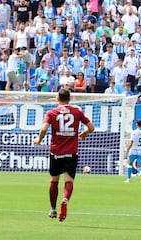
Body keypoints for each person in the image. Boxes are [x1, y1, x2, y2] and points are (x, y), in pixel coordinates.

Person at [33, 88, 95, 222]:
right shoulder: (77, 111)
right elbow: (91, 127)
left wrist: (39, 139)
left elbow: (43, 128)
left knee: (54, 180)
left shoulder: (51, 112)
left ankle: (53, 209)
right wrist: (84, 133)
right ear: (70, 99)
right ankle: (65, 200)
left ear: (57, 98)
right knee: (69, 181)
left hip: (56, 152)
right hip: (71, 153)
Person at [124, 119, 141, 183]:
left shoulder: (134, 132)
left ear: (136, 124)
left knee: (130, 164)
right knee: (139, 166)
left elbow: (131, 142)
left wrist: (127, 151)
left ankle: (128, 179)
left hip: (133, 151)